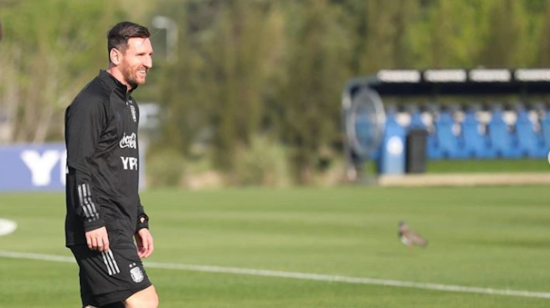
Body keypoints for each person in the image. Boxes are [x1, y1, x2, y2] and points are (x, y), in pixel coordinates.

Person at [64, 21, 158, 308]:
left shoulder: (129, 105)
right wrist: (92, 220)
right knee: (145, 300)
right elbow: (79, 168)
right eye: (140, 55)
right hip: (100, 227)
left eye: (150, 55)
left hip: (119, 223)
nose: (149, 63)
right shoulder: (92, 102)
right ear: (116, 56)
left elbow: (123, 170)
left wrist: (139, 220)